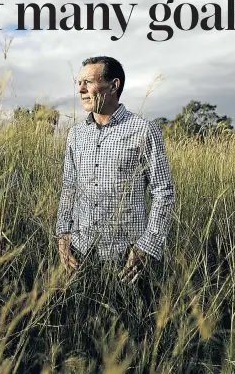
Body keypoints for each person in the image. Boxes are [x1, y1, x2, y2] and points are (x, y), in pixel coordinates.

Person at [55, 56, 175, 283]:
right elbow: (69, 188)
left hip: (128, 258)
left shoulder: (144, 130)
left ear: (113, 86)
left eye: (88, 82)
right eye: (78, 82)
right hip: (81, 255)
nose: (80, 89)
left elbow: (164, 192)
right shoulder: (75, 134)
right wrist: (63, 235)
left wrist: (146, 247)